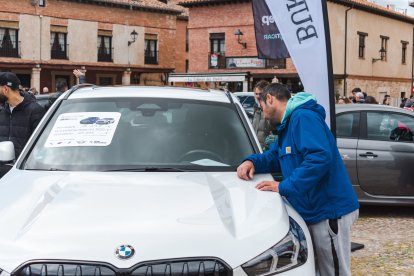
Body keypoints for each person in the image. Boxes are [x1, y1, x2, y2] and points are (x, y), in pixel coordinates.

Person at [237, 83, 359, 276]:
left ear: (270, 99)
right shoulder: (289, 124)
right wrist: (252, 161)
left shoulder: (303, 118)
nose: (260, 109)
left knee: (333, 272)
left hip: (328, 211)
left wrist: (285, 186)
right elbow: (275, 156)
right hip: (316, 210)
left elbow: (319, 157)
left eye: (260, 102)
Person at [0, 72, 45, 159]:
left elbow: (40, 146)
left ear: (5, 89)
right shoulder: (2, 111)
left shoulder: (35, 111)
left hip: (23, 170)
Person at [252, 80, 273, 150]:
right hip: (255, 148)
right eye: (256, 94)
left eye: (260, 94)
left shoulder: (271, 110)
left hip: (266, 150)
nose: (258, 96)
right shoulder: (256, 108)